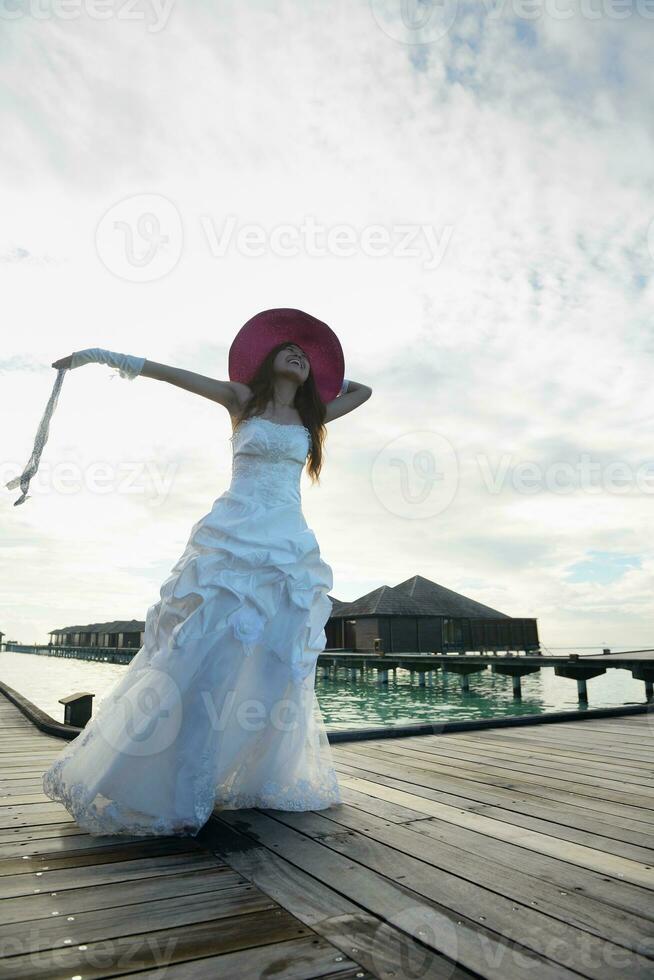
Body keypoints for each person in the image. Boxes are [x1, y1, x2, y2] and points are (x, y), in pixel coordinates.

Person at [40, 308, 373, 837]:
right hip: (232, 541)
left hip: (287, 548)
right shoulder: (243, 401)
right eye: (289, 349)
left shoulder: (313, 419)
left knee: (277, 663)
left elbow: (365, 391)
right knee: (198, 652)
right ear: (267, 360)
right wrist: (94, 356)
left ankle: (255, 772)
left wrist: (323, 379)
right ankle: (168, 779)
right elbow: (168, 373)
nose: (299, 355)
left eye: (306, 356)